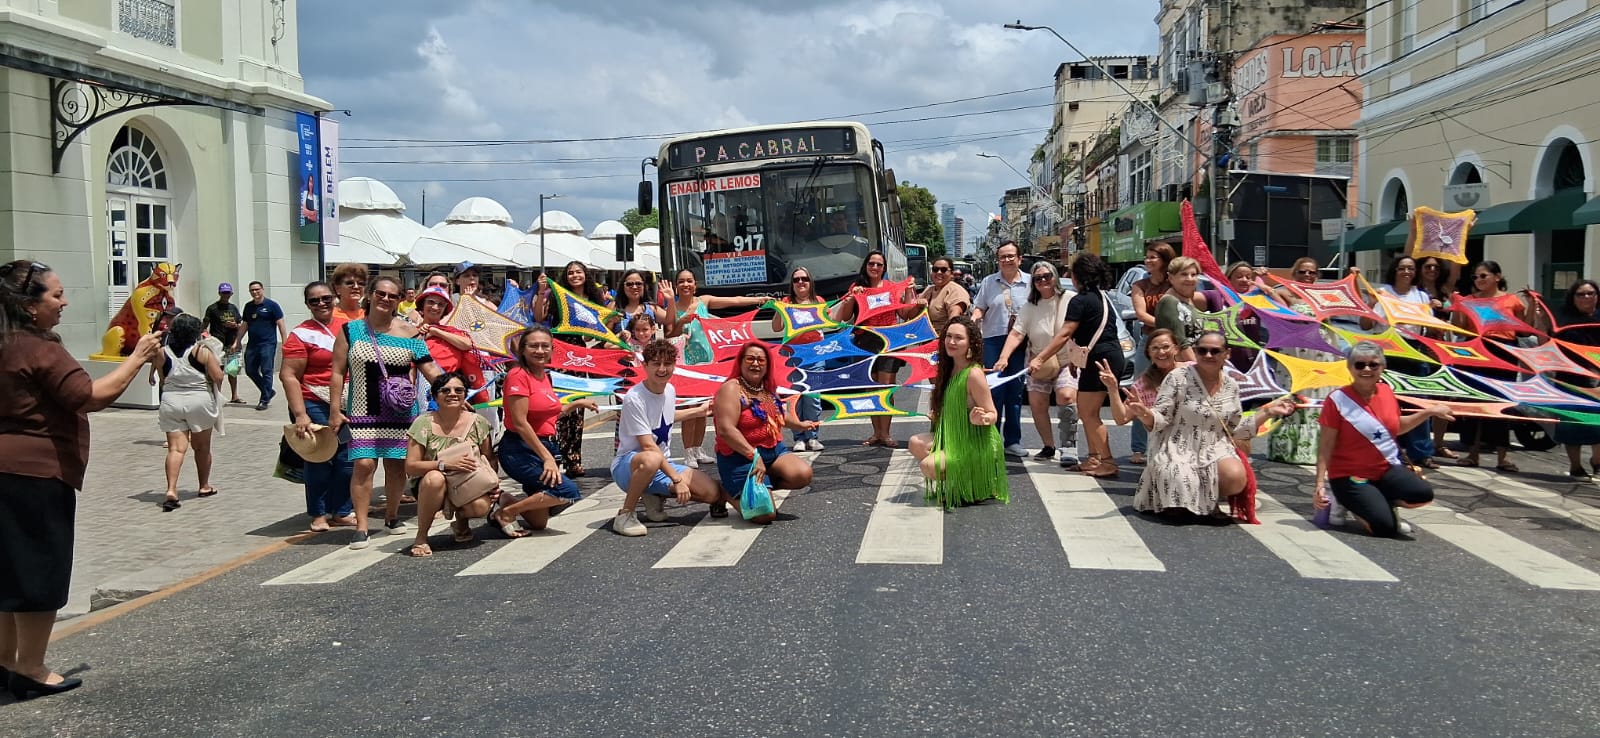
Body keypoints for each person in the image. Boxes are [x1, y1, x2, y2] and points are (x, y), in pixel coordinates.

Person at [0, 259, 163, 700]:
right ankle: (31, 668)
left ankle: (6, 661)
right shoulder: (37, 347)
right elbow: (89, 396)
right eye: (56, 295)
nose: (64, 302)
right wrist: (138, 357)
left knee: (8, 572)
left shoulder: (6, 342)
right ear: (29, 305)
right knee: (39, 571)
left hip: (7, 471)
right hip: (36, 473)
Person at [1122, 331, 1297, 519]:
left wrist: (1268, 412)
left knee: (1235, 476)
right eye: (1202, 350)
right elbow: (1160, 418)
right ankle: (1186, 501)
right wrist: (1143, 412)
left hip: (1215, 447)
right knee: (1180, 477)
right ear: (1195, 352)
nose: (1208, 355)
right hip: (1176, 446)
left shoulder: (1231, 385)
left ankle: (1201, 499)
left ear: (1226, 354)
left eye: (1215, 351)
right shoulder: (1177, 378)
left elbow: (1235, 430)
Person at [328, 275, 441, 550]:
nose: (386, 299)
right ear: (370, 294)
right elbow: (337, 372)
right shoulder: (351, 330)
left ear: (399, 300)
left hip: (400, 410)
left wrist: (452, 390)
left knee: (396, 464)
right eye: (381, 293)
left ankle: (391, 516)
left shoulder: (411, 333)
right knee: (364, 464)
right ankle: (362, 526)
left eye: (392, 295)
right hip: (362, 409)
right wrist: (334, 409)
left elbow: (429, 368)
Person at [1314, 341, 1454, 537]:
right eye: (1359, 365)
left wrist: (1429, 412)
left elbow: (1396, 427)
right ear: (1350, 368)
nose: (1367, 369)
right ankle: (1344, 500)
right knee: (1384, 527)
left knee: (1422, 494)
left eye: (1373, 364)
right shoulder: (1337, 399)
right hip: (1350, 475)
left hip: (1385, 469)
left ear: (1383, 367)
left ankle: (1378, 501)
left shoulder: (1387, 392)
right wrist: (1320, 484)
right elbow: (1325, 446)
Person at [610, 339, 729, 536]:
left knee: (712, 492)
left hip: (661, 464)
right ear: (645, 365)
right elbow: (648, 446)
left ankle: (653, 494)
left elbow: (664, 418)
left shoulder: (669, 390)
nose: (662, 369)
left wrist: (699, 411)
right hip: (629, 466)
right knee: (651, 459)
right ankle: (625, 515)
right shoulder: (634, 398)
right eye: (656, 363)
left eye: (667, 363)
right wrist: (676, 479)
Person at [1029, 253, 1126, 478]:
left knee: (1089, 413)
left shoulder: (1079, 301)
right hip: (1110, 357)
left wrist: (1040, 358)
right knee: (1088, 411)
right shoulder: (1102, 298)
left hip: (1099, 360)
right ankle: (1093, 458)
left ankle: (1107, 462)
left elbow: (1065, 334)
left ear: (1077, 277)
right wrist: (1075, 361)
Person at [495, 326, 594, 535]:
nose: (540, 351)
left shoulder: (544, 376)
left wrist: (577, 404)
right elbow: (520, 423)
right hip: (520, 449)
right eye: (533, 346)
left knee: (539, 523)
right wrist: (547, 458)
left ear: (551, 350)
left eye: (545, 346)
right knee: (567, 491)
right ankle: (507, 513)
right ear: (523, 350)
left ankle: (506, 501)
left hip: (544, 445)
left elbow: (547, 414)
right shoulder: (517, 375)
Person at [666, 268, 768, 467]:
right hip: (687, 365)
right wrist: (682, 321)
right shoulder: (673, 307)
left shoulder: (703, 302)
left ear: (695, 284)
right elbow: (670, 334)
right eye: (681, 281)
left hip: (709, 363)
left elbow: (735, 300)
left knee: (704, 408)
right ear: (676, 286)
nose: (686, 285)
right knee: (690, 408)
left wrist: (759, 300)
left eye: (689, 281)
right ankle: (688, 452)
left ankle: (698, 449)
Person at [908, 315, 1006, 509]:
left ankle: (972, 483)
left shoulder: (973, 374)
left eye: (958, 338)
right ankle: (964, 479)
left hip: (974, 440)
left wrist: (982, 419)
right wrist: (938, 414)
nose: (951, 342)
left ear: (971, 343)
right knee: (916, 443)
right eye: (949, 336)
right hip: (953, 435)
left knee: (929, 466)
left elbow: (993, 413)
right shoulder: (948, 368)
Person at [281, 281, 355, 533]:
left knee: (346, 458)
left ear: (335, 298)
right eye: (314, 300)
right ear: (307, 305)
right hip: (313, 400)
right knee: (320, 457)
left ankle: (341, 511)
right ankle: (319, 513)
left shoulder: (348, 327)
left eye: (326, 298)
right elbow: (289, 375)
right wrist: (300, 414)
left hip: (346, 401)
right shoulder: (300, 334)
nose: (321, 303)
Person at [402, 371, 503, 557]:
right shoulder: (422, 423)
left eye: (459, 390)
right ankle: (421, 537)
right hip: (430, 485)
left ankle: (461, 521)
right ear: (435, 396)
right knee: (435, 479)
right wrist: (443, 464)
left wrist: (493, 484)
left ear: (465, 394)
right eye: (445, 390)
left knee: (481, 507)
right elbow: (411, 466)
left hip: (467, 483)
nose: (452, 394)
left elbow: (489, 458)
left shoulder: (478, 422)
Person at [830, 251, 921, 447]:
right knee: (870, 387)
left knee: (886, 387)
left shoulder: (891, 288)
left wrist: (908, 292)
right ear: (866, 266)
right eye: (871, 263)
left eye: (879, 265)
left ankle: (886, 433)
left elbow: (905, 314)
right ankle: (876, 433)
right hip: (864, 341)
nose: (875, 267)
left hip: (888, 341)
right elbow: (845, 317)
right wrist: (852, 298)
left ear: (884, 268)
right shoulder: (857, 287)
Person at [992, 261, 1078, 466]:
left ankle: (1069, 447)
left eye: (1047, 276)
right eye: (1038, 278)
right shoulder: (1030, 307)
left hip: (1067, 361)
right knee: (1038, 404)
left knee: (1066, 396)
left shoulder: (1070, 299)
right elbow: (1016, 334)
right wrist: (1003, 357)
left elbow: (1070, 332)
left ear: (1055, 277)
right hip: (1038, 363)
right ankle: (1048, 446)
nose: (1043, 281)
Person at [714, 341, 818, 511]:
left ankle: (761, 486)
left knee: (802, 475)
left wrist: (800, 425)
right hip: (739, 456)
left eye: (761, 360)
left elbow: (779, 414)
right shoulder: (731, 389)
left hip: (772, 451)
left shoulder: (766, 387)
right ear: (741, 362)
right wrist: (754, 456)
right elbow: (726, 430)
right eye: (750, 359)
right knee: (764, 514)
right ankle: (724, 493)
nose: (756, 363)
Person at [531, 261, 612, 477]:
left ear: (586, 275)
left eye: (578, 272)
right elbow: (539, 317)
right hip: (557, 352)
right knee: (557, 404)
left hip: (578, 355)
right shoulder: (556, 295)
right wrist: (541, 292)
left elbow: (593, 333)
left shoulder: (594, 298)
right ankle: (555, 455)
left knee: (578, 407)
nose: (575, 275)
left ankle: (574, 459)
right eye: (570, 273)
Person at [1454, 260, 1523, 472]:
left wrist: (1535, 307)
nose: (1479, 280)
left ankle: (1503, 456)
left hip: (1504, 351)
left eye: (1483, 275)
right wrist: (1457, 306)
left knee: (1501, 401)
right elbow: (1458, 329)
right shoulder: (1469, 300)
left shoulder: (1512, 300)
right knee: (1475, 401)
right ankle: (1472, 453)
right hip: (1476, 350)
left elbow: (1523, 329)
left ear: (1497, 277)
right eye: (1475, 277)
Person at [1371, 255, 1439, 469]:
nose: (1406, 272)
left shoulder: (1421, 296)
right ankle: (1390, 450)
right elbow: (1367, 324)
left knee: (1418, 400)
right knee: (1388, 402)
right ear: (1395, 270)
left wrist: (1433, 312)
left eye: (1410, 268)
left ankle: (1422, 452)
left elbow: (1429, 328)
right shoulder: (1383, 292)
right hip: (1388, 349)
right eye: (1402, 268)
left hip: (1413, 350)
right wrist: (1371, 303)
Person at [1268, 256, 1335, 465]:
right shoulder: (1283, 293)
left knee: (1317, 396)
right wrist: (1263, 281)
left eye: (1311, 272)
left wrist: (1355, 278)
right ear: (1294, 273)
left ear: (1317, 275)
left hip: (1320, 352)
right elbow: (1277, 307)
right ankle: (1287, 448)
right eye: (1302, 272)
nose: (1307, 275)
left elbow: (1352, 304)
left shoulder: (1324, 296)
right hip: (1295, 352)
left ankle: (1315, 449)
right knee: (1293, 392)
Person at [153, 313, 225, 511]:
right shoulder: (201, 351)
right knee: (202, 447)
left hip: (171, 400)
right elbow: (218, 376)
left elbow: (162, 379)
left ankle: (171, 489)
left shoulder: (162, 352)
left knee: (175, 449)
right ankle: (204, 486)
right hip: (199, 400)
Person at [969, 241, 1031, 458]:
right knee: (993, 391)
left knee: (1015, 392)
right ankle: (991, 438)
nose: (1007, 260)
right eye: (1002, 257)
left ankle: (1013, 441)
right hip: (993, 341)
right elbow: (980, 307)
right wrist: (973, 320)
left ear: (1019, 259)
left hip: (1020, 343)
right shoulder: (989, 282)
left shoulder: (1030, 283)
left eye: (1011, 256)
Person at [771, 266, 826, 451]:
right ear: (792, 284)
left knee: (812, 398)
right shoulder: (786, 302)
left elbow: (833, 320)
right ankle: (799, 438)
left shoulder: (819, 301)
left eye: (804, 279)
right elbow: (776, 328)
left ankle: (812, 436)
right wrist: (779, 309)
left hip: (815, 355)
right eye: (796, 280)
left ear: (810, 282)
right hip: (791, 356)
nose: (800, 282)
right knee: (795, 398)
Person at [1552, 279, 1600, 477]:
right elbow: (1548, 343)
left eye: (1590, 293)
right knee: (1571, 424)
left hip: (1597, 380)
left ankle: (1597, 460)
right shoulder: (1564, 320)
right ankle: (1575, 466)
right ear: (1573, 298)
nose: (1586, 297)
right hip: (1570, 379)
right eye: (1581, 294)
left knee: (1597, 421)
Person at [240, 281, 287, 411]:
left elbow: (281, 323)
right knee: (250, 370)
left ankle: (264, 399)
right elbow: (245, 325)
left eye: (257, 289)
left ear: (262, 289)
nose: (255, 292)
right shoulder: (248, 306)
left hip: (268, 344)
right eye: (252, 290)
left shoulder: (272, 305)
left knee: (267, 371)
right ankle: (268, 391)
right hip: (252, 344)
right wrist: (237, 341)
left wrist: (285, 341)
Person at [1154, 256, 1208, 358]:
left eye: (1193, 275)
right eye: (1184, 274)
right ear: (1171, 278)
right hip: (1182, 363)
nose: (1189, 279)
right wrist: (1196, 366)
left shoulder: (1186, 299)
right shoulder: (1169, 302)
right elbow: (1180, 342)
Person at [202, 282, 244, 405]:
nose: (226, 295)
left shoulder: (233, 308)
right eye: (223, 293)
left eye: (228, 293)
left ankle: (234, 396)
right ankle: (217, 395)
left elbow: (241, 324)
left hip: (231, 344)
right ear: (219, 293)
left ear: (231, 293)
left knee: (232, 371)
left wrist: (235, 326)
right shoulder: (212, 308)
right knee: (217, 371)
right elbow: (204, 325)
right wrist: (206, 336)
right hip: (217, 345)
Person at [917, 256, 970, 337]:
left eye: (943, 270)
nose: (939, 272)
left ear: (951, 274)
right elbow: (908, 315)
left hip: (943, 338)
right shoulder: (929, 290)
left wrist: (945, 339)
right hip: (925, 337)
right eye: (935, 269)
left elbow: (954, 320)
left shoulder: (955, 291)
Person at [608, 268, 666, 335]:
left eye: (638, 283)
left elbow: (670, 320)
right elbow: (602, 334)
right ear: (622, 287)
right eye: (629, 284)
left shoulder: (651, 308)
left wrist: (671, 300)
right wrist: (611, 322)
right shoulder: (614, 306)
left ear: (644, 286)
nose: (634, 287)